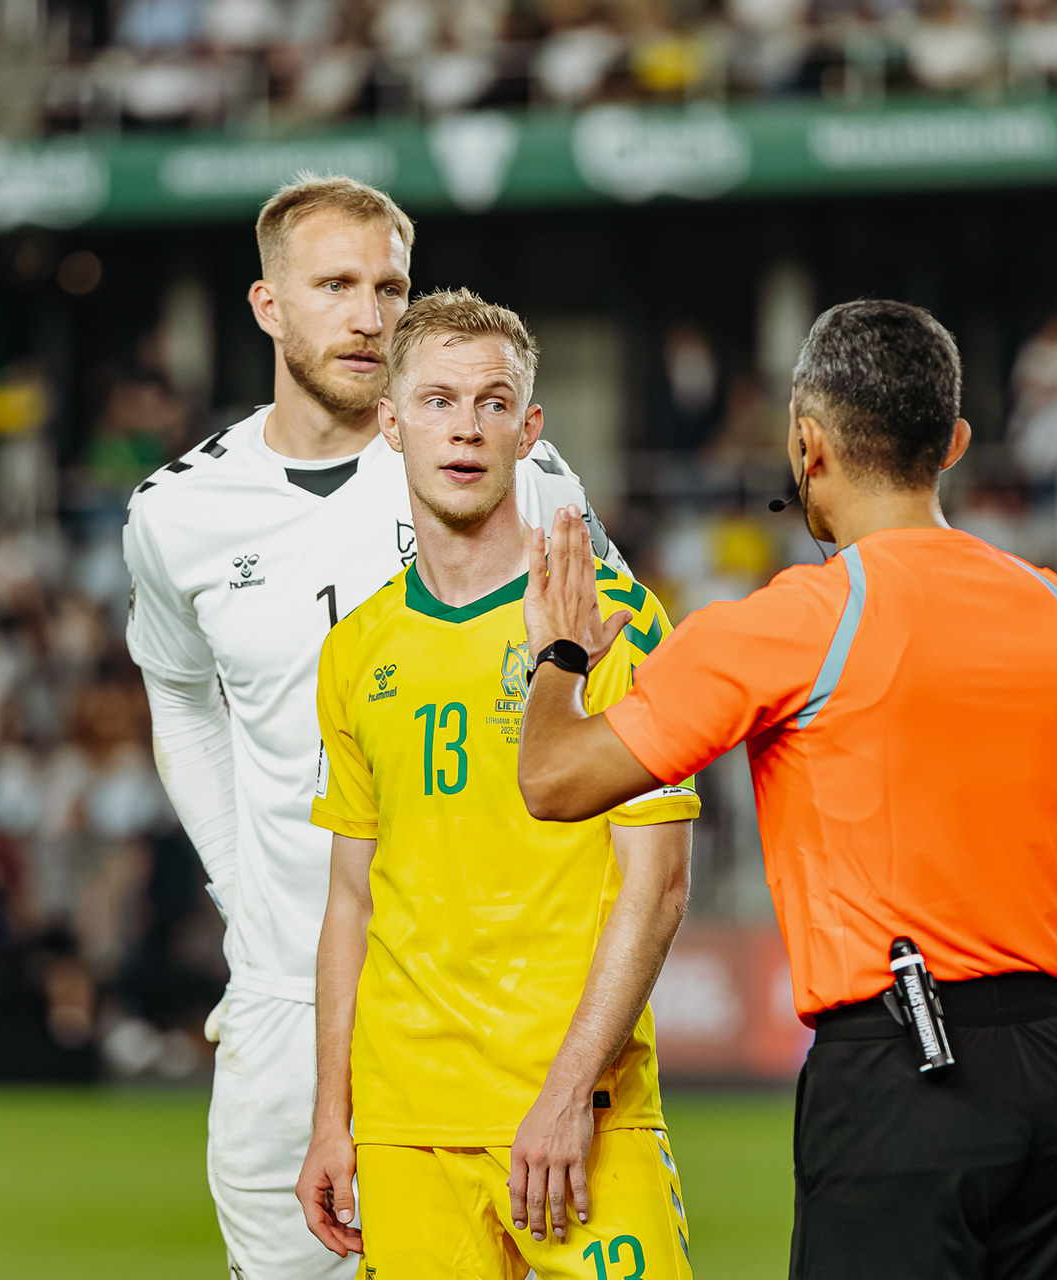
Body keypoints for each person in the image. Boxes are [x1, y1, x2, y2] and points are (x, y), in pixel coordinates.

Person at [517, 299, 1057, 1280]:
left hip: (904, 1071)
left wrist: (558, 649)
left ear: (807, 444)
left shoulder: (793, 620)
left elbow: (553, 779)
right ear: (956, 444)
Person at [122, 175, 623, 1277]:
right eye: (336, 284)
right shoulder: (176, 514)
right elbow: (177, 689)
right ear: (267, 306)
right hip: (287, 999)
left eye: (391, 285)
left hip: (485, 995)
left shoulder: (516, 473)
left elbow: (620, 681)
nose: (370, 314)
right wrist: (237, 880)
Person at [299, 291, 698, 1279]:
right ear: (390, 424)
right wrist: (329, 1118)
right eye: (436, 400)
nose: (465, 427)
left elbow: (658, 885)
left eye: (491, 402)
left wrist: (567, 1093)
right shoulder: (355, 650)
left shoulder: (617, 618)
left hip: (577, 1112)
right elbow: (353, 897)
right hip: (405, 1126)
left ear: (530, 428)